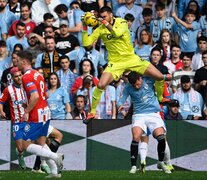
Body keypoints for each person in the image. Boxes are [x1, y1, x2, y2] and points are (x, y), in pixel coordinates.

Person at [82, 6, 167, 120]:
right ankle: (92, 112)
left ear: (111, 15)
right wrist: (84, 26)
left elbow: (116, 33)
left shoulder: (121, 22)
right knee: (101, 85)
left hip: (131, 59)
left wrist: (103, 22)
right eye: (101, 17)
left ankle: (160, 98)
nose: (102, 19)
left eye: (105, 17)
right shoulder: (101, 29)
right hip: (115, 63)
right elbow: (86, 43)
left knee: (160, 76)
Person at [16, 50, 64, 178]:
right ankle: (54, 172)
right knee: (41, 143)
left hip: (36, 113)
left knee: (25, 144)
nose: (16, 63)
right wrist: (30, 104)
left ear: (24, 61)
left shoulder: (26, 76)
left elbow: (35, 96)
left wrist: (27, 110)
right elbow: (44, 95)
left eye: (17, 60)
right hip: (45, 111)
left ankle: (55, 156)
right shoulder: (38, 74)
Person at [117, 71, 172, 174]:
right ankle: (133, 166)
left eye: (138, 84)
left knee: (161, 137)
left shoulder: (149, 79)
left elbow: (161, 77)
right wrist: (119, 104)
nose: (137, 87)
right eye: (134, 86)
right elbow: (122, 98)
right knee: (136, 137)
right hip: (139, 115)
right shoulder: (128, 87)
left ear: (140, 78)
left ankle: (160, 162)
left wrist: (166, 76)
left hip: (153, 113)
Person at [0, 67, 26, 169]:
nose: (19, 78)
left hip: (30, 120)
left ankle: (41, 164)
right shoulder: (8, 90)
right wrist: (1, 111)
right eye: (16, 76)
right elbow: (1, 102)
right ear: (12, 78)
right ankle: (20, 155)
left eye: (20, 75)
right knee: (20, 148)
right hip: (17, 122)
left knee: (35, 143)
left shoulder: (28, 87)